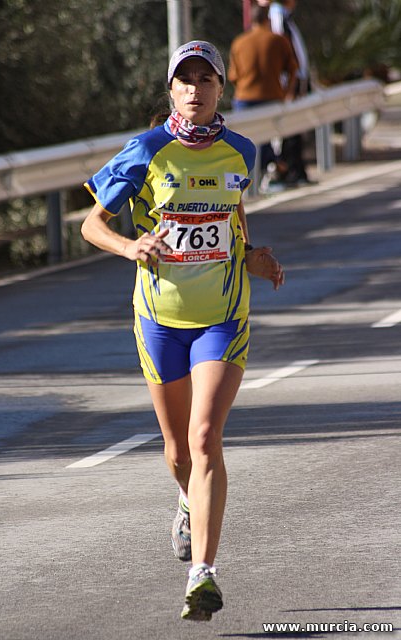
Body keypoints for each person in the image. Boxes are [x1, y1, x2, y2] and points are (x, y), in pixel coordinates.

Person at [81, 40, 284, 622]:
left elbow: (232, 224)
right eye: (184, 79)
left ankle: (204, 574)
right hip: (160, 318)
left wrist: (254, 257)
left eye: (207, 78)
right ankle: (186, 501)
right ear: (170, 90)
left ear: (223, 88)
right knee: (176, 451)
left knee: (204, 440)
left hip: (222, 315)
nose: (195, 88)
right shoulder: (146, 150)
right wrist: (130, 245)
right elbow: (92, 225)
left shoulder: (240, 152)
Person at [228, 1, 298, 192]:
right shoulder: (278, 40)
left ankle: (252, 180)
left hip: (244, 99)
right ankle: (274, 167)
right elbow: (293, 69)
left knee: (247, 140)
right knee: (267, 138)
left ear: (251, 20)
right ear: (267, 19)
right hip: (272, 97)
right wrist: (288, 92)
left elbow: (233, 75)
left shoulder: (239, 42)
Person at [270, 0, 314, 185]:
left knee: (296, 127)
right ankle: (291, 171)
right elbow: (283, 49)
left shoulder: (285, 17)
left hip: (295, 81)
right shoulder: (277, 16)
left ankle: (297, 171)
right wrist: (291, 83)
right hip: (289, 83)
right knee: (290, 129)